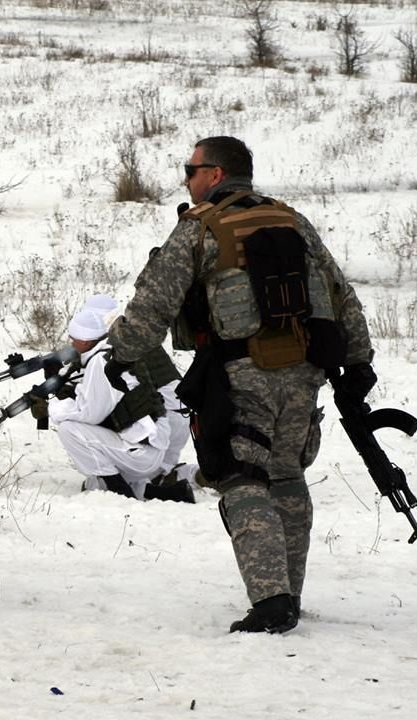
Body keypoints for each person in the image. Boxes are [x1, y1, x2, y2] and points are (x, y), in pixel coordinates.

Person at [107, 136, 375, 634]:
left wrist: (121, 352)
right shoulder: (291, 219)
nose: (186, 178)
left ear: (214, 173)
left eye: (190, 169)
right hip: (305, 368)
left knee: (240, 476)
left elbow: (153, 304)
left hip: (242, 370)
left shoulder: (200, 227)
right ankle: (289, 592)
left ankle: (272, 602)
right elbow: (340, 291)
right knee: (287, 474)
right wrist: (359, 360)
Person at [40, 299, 198, 503]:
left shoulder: (104, 358)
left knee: (70, 430)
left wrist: (51, 407)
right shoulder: (121, 345)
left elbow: (91, 411)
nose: (71, 344)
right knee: (95, 484)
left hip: (161, 425)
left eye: (75, 339)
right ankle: (173, 492)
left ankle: (125, 495)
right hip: (163, 424)